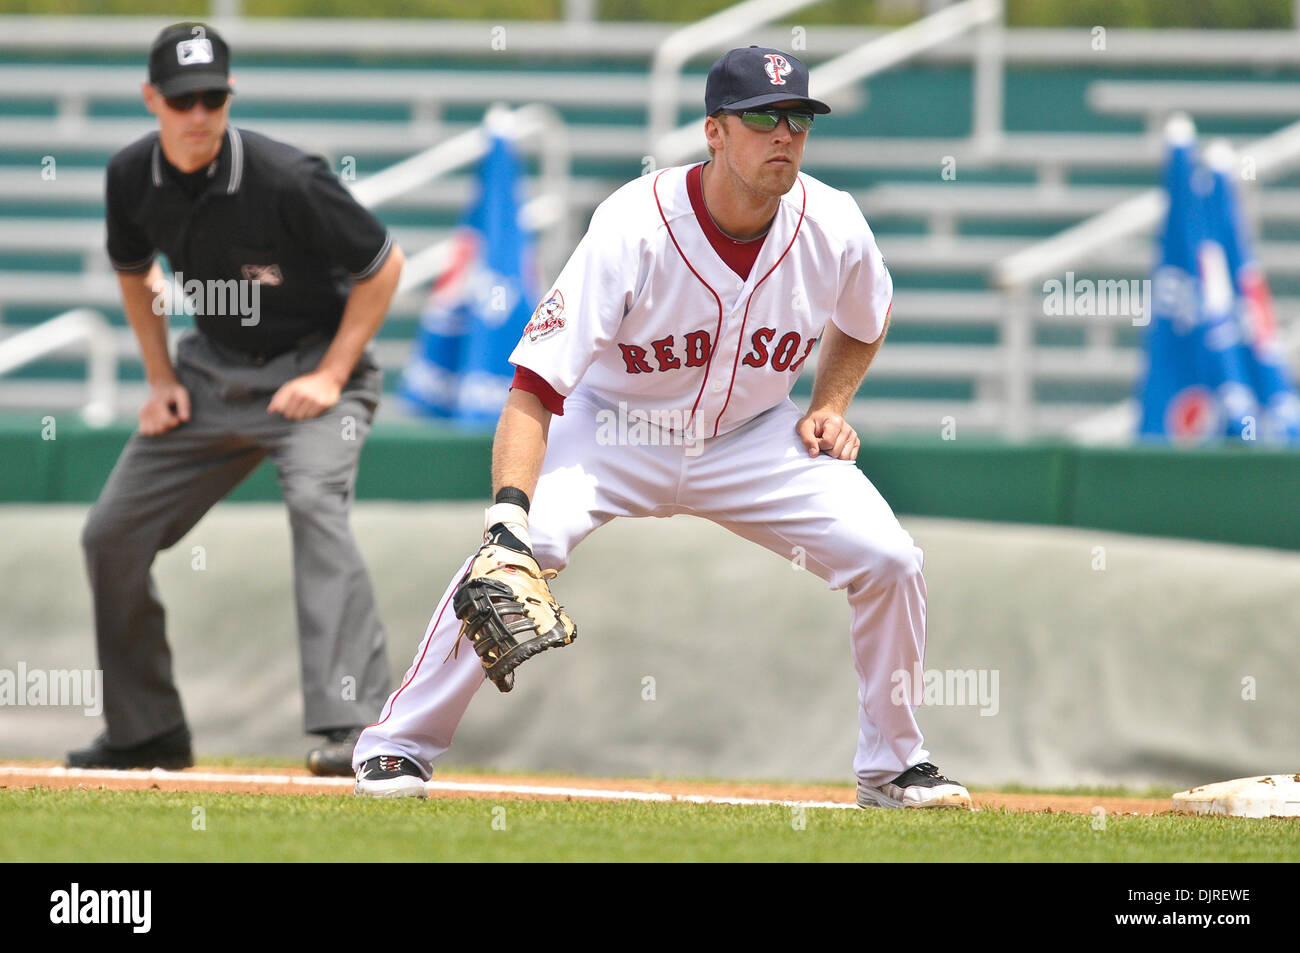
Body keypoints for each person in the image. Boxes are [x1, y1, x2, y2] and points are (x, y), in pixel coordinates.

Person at [352, 46, 971, 810]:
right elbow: (536, 384)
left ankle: (894, 765)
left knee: (890, 559)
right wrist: (508, 512)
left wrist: (829, 405)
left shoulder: (833, 222)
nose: (785, 134)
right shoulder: (634, 223)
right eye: (763, 118)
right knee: (514, 555)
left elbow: (866, 317)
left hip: (753, 439)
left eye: (799, 120)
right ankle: (395, 748)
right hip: (614, 431)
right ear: (714, 131)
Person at [68, 22, 405, 776]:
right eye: (182, 98)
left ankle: (361, 729)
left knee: (317, 507)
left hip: (317, 375)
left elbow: (383, 267)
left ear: (229, 98)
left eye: (212, 97)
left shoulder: (289, 177)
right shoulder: (130, 176)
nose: (198, 114)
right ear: (152, 98)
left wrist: (328, 375)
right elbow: (134, 272)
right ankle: (147, 732)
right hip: (210, 377)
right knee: (109, 536)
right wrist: (159, 381)